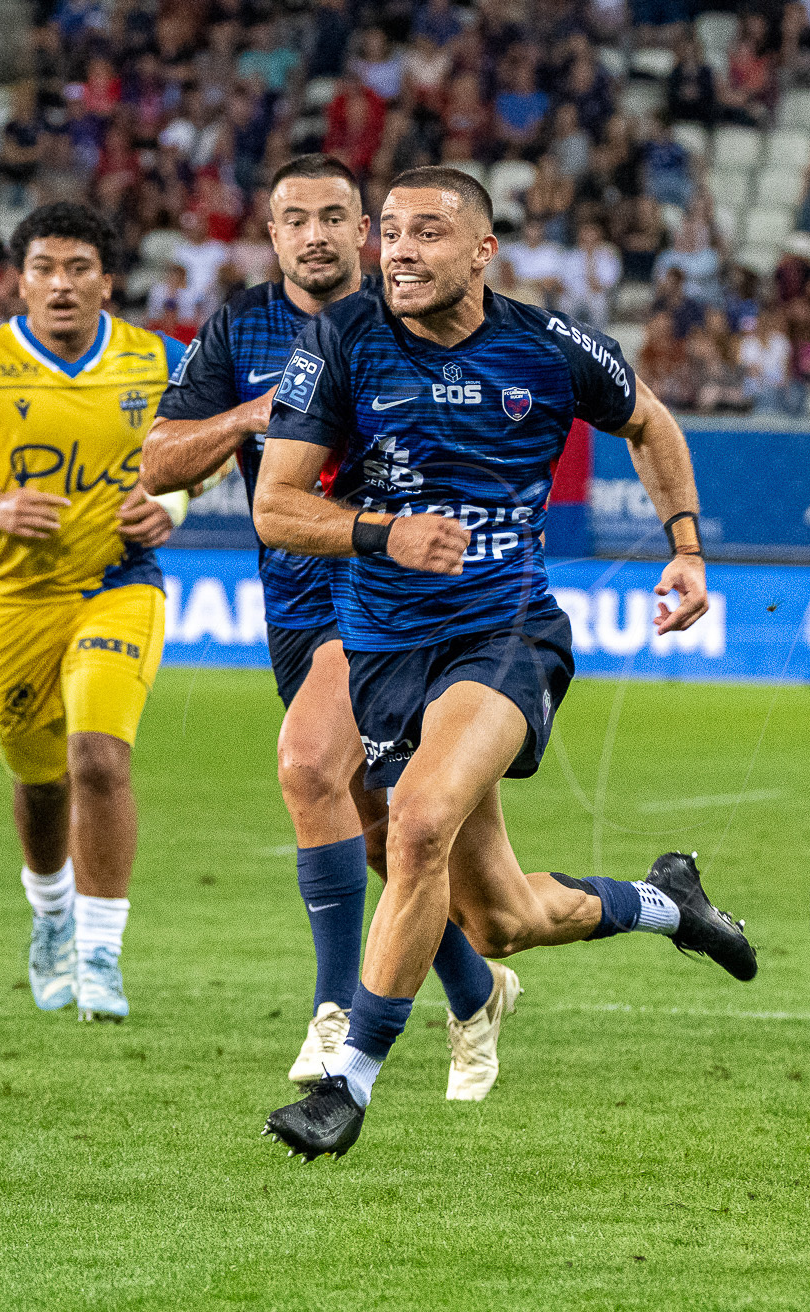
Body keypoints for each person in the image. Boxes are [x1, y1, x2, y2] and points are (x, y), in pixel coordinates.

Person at [253, 166, 756, 1160]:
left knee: (418, 819)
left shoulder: (549, 346)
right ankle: (669, 902)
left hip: (508, 632)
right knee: (502, 921)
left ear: (483, 251)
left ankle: (344, 1088)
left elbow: (649, 422)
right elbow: (275, 506)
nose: (398, 250)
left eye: (427, 233)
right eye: (389, 232)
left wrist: (686, 549)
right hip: (388, 651)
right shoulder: (342, 343)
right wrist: (380, 534)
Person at [141, 155, 515, 1100]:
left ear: (365, 231)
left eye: (334, 216)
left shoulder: (410, 322)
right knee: (384, 831)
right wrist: (250, 415)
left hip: (382, 597)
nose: (314, 234)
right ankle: (476, 994)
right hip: (292, 601)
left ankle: (335, 1010)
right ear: (271, 235)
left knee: (308, 762)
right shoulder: (240, 328)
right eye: (292, 218)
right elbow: (157, 464)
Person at [0, 203, 184, 1023]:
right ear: (19, 281)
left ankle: (100, 950)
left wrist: (181, 500)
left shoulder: (155, 358)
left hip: (120, 582)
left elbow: (204, 442)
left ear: (107, 278)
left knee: (100, 757)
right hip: (20, 598)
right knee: (41, 778)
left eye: (79, 268)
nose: (62, 285)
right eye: (45, 269)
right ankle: (54, 912)